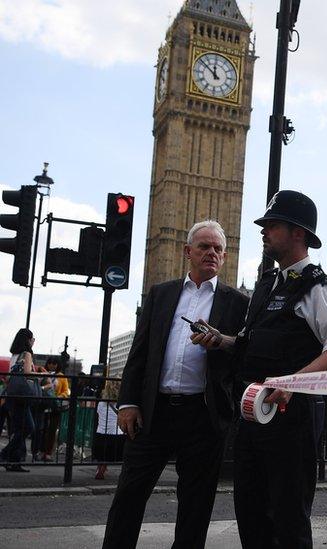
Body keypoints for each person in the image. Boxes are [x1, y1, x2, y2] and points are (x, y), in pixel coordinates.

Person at [193, 190, 327, 548]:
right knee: (251, 517)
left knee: (288, 521)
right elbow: (251, 344)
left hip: (291, 420)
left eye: (272, 225)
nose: (263, 231)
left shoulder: (319, 287)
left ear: (298, 233)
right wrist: (222, 340)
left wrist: (294, 382)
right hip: (253, 417)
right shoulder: (268, 284)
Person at [102, 220, 249, 549]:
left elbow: (245, 354)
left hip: (203, 416)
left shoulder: (237, 303)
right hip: (155, 413)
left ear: (224, 257)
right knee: (129, 495)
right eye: (204, 247)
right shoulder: (162, 293)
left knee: (196, 506)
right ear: (188, 252)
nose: (211, 252)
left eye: (217, 249)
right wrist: (128, 403)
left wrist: (222, 341)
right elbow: (140, 353)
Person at [1, 328, 37, 472]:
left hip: (11, 394)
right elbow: (27, 372)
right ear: (28, 340)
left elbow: (9, 376)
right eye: (32, 339)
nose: (33, 341)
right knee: (28, 427)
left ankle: (13, 461)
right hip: (22, 395)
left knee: (17, 428)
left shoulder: (14, 355)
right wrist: (38, 375)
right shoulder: (27, 354)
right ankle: (5, 454)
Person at [94, 381, 125, 479]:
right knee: (122, 456)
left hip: (101, 433)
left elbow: (99, 414)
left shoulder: (101, 403)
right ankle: (124, 473)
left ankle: (100, 468)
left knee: (102, 455)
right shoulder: (122, 404)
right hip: (117, 434)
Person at [41, 357, 70, 461]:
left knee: (52, 430)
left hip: (56, 405)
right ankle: (41, 451)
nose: (52, 365)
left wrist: (60, 396)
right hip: (43, 405)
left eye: (54, 364)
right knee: (42, 429)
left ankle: (48, 452)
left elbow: (66, 391)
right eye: (50, 363)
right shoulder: (43, 373)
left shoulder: (62, 376)